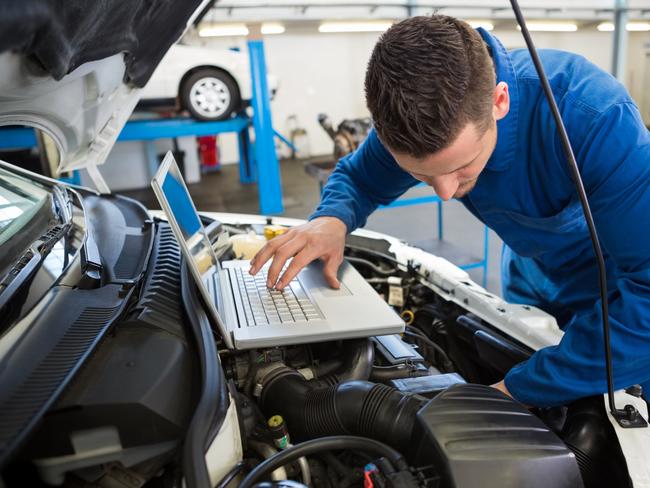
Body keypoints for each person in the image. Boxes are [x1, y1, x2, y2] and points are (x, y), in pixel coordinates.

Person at [249, 15, 650, 408]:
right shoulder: (415, 119)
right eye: (419, 174)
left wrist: (515, 392)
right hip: (530, 279)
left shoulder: (593, 117)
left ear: (499, 102)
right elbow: (359, 179)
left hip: (621, 295)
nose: (445, 192)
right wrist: (331, 219)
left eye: (461, 167)